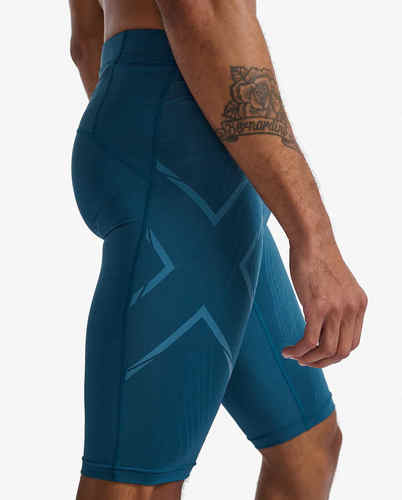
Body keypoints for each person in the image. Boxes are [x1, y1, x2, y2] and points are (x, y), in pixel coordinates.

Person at [69, 1, 367, 499]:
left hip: (173, 144)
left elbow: (86, 41)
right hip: (186, 162)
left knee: (308, 447)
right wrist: (315, 238)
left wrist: (138, 133)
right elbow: (199, 9)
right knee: (138, 487)